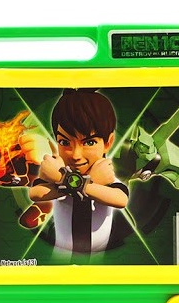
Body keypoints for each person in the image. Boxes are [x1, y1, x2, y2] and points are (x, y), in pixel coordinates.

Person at [29, 88, 129, 254]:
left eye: (89, 143)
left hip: (99, 260)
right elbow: (35, 193)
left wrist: (66, 180)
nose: (76, 155)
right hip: (61, 258)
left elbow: (121, 199)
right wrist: (81, 182)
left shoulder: (105, 176)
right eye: (65, 142)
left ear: (108, 142)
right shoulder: (60, 173)